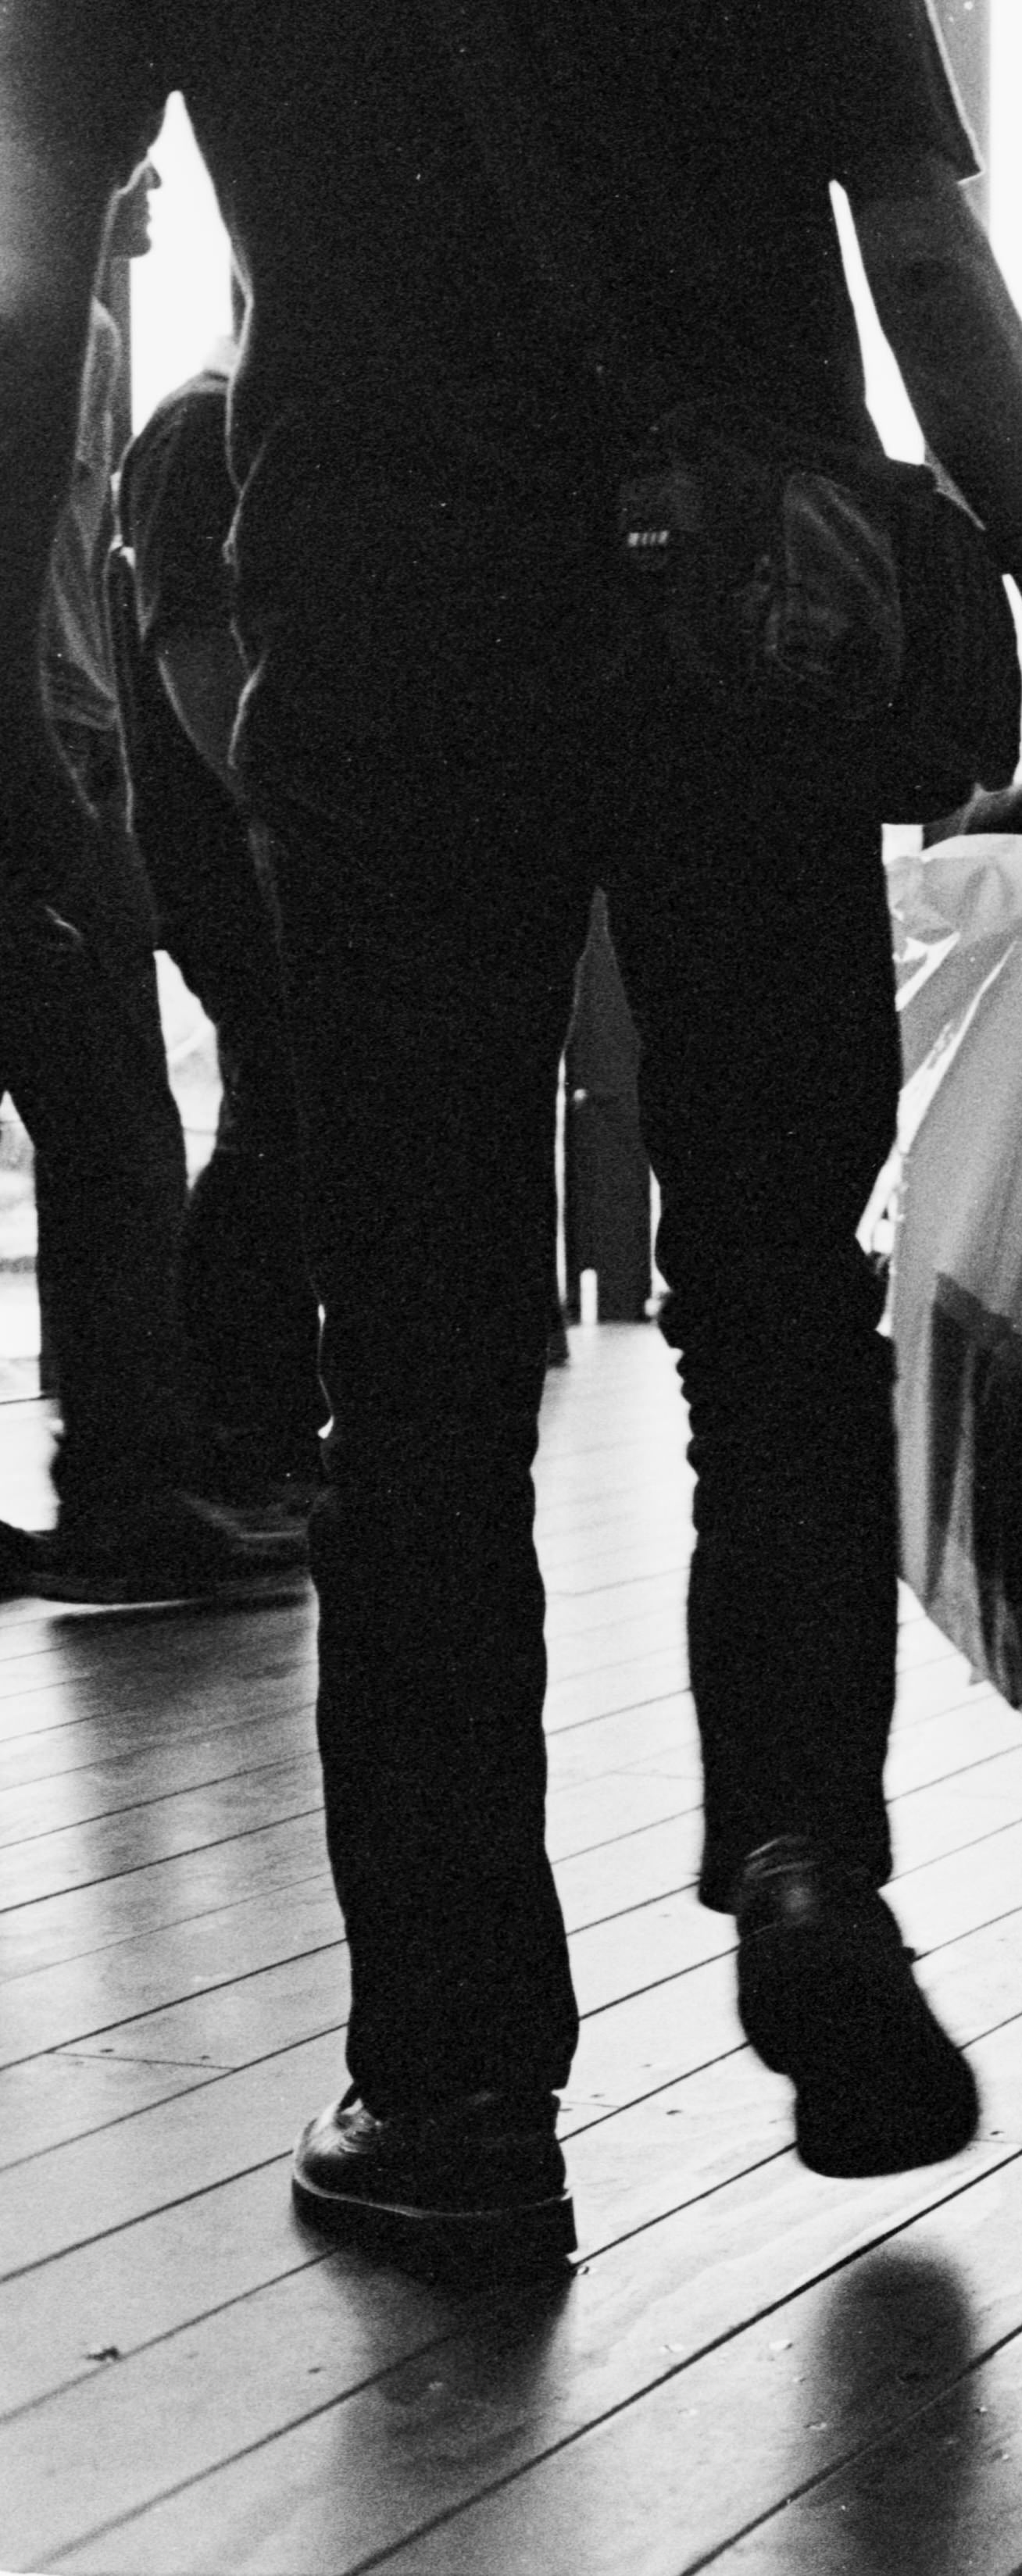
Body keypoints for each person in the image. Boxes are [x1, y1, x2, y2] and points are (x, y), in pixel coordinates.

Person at [2, 0, 1022, 2282]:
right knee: (777, 1310)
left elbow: (35, 260)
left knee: (419, 1377)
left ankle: (455, 2086)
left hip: (388, 639)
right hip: (744, 632)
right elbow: (929, 257)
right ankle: (813, 1859)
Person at [0, 153, 292, 1607]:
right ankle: (133, 1491)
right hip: (41, 755)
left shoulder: (87, 337)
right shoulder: (58, 335)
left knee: (120, 1125)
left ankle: (140, 1480)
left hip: (71, 744)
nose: (159, 181)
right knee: (117, 1127)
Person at [116, 310, 331, 1521]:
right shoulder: (201, 430)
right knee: (279, 1108)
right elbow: (195, 653)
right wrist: (273, 815)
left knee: (280, 1109)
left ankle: (257, 1427)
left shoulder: (217, 426)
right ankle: (246, 1426)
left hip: (242, 835)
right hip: (226, 845)